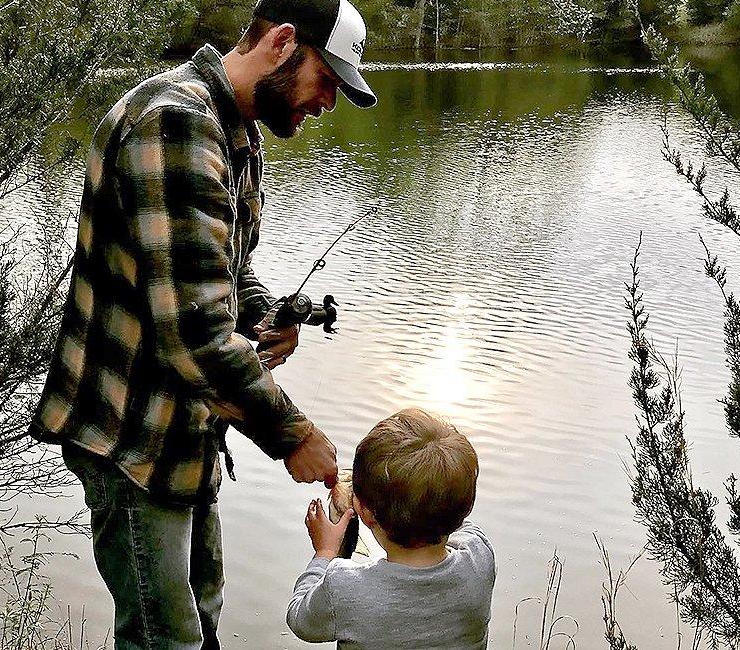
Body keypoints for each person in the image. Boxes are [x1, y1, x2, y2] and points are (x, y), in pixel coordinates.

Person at [27, 0, 377, 647]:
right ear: (281, 42)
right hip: (132, 439)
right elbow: (193, 336)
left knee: (202, 619)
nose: (328, 102)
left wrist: (264, 314)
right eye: (326, 80)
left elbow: (220, 271)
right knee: (165, 639)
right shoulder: (175, 124)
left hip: (184, 435)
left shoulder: (233, 131)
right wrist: (293, 434)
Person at [287, 408, 496, 649]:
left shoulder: (345, 589)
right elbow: (457, 518)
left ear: (364, 512)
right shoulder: (480, 556)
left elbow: (300, 620)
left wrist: (325, 552)